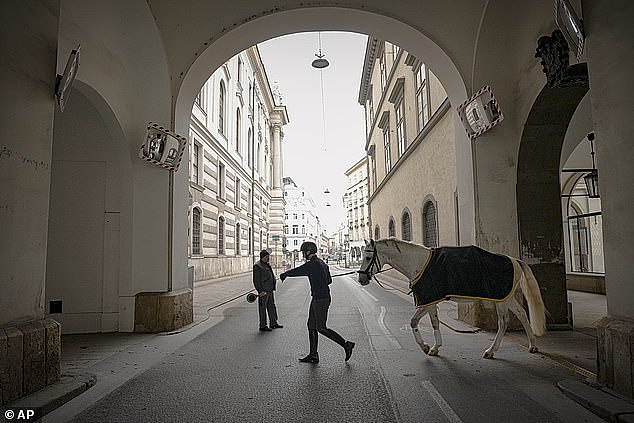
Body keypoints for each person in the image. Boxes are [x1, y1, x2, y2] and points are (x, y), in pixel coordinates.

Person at [280, 241, 354, 363]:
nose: (303, 254)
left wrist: (285, 274)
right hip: (318, 297)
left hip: (321, 299)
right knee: (311, 326)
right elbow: (329, 281)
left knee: (321, 328)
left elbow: (299, 270)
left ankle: (346, 345)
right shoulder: (322, 263)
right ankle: (313, 355)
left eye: (304, 252)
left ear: (308, 252)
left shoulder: (313, 264)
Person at [253, 250, 283, 332]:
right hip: (263, 291)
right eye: (266, 257)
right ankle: (263, 325)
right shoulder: (257, 266)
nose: (268, 258)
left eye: (268, 256)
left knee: (271, 306)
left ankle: (273, 323)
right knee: (262, 308)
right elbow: (256, 281)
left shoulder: (266, 265)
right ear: (262, 257)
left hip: (270, 289)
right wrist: (260, 291)